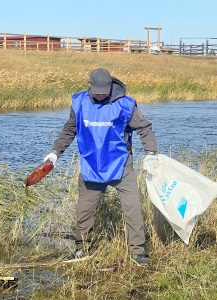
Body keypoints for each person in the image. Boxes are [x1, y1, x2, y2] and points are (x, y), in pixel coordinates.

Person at [44, 68, 159, 266]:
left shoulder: (125, 105)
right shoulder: (79, 103)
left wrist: (151, 153)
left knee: (133, 209)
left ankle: (138, 253)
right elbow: (70, 129)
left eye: (104, 91)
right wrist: (55, 152)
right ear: (89, 85)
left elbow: (144, 128)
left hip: (121, 166)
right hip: (91, 166)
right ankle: (82, 249)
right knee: (84, 210)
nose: (100, 94)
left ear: (110, 86)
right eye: (96, 90)